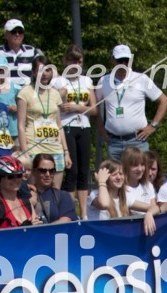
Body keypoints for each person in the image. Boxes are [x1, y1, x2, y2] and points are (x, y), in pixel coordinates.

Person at [97, 44, 167, 160]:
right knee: (115, 177)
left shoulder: (141, 78)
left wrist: (153, 126)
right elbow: (94, 106)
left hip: (137, 141)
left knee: (140, 176)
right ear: (112, 60)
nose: (123, 64)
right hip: (113, 142)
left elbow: (164, 101)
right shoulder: (104, 80)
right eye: (120, 60)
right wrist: (100, 129)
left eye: (126, 60)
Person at [17, 55, 70, 188]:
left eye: (47, 70)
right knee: (35, 192)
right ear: (34, 72)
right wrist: (25, 152)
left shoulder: (55, 93)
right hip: (34, 147)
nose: (44, 74)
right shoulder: (25, 93)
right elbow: (21, 125)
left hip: (55, 147)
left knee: (55, 192)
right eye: (40, 70)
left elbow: (59, 125)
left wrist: (66, 151)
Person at [54, 45, 95, 212]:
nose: (77, 65)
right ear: (66, 62)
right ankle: (70, 210)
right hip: (66, 126)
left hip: (83, 125)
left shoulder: (87, 81)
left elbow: (95, 110)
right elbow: (54, 104)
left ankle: (83, 212)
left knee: (83, 171)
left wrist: (77, 108)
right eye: (73, 61)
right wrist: (62, 93)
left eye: (80, 61)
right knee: (72, 170)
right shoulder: (58, 81)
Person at [0, 19, 43, 90]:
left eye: (20, 32)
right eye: (13, 32)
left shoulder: (31, 51)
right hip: (4, 95)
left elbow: (44, 67)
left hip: (25, 95)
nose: (17, 34)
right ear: (6, 35)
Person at [0, 155, 40, 229]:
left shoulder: (26, 202)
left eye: (19, 175)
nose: (16, 180)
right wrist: (23, 230)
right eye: (10, 176)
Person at [31, 153, 77, 224]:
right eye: (43, 171)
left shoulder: (62, 195)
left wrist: (41, 229)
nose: (48, 174)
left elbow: (66, 220)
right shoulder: (25, 195)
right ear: (34, 172)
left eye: (52, 171)